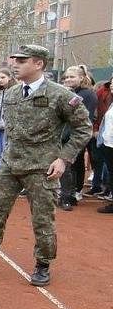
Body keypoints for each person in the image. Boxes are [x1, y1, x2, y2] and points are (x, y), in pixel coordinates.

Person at [0, 45, 92, 287]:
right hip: (10, 163)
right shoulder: (11, 93)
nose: (15, 64)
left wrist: (64, 158)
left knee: (42, 218)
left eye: (22, 60)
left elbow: (84, 129)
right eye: (15, 60)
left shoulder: (60, 95)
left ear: (39, 63)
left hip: (42, 167)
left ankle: (43, 264)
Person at [58, 65, 97, 211]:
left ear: (81, 78)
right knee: (74, 166)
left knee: (68, 166)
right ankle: (71, 195)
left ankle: (67, 197)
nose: (68, 79)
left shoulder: (86, 94)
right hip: (68, 135)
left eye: (72, 77)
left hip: (74, 137)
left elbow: (79, 119)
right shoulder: (74, 92)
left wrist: (67, 136)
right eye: (66, 77)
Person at [87, 72, 113, 198]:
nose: (112, 86)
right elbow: (101, 117)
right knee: (107, 166)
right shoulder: (106, 97)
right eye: (112, 82)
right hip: (107, 140)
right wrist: (96, 129)